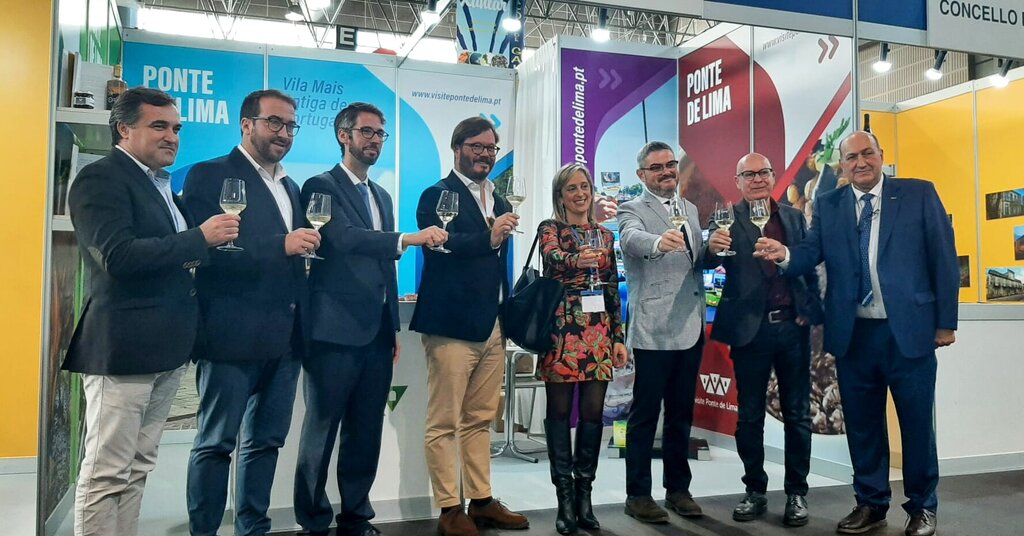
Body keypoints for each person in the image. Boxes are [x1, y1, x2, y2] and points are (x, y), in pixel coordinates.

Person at [757, 131, 958, 536]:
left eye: (868, 154)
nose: (860, 162)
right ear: (842, 165)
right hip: (854, 335)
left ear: (881, 155)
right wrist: (787, 254)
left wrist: (945, 323)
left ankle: (923, 507)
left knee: (917, 425)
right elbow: (812, 251)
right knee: (863, 427)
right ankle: (870, 503)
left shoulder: (918, 194)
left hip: (909, 332)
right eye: (851, 157)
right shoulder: (829, 204)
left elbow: (943, 257)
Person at [64, 87, 239, 536]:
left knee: (138, 465)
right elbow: (117, 257)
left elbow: (172, 256)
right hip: (123, 348)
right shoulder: (100, 178)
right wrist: (200, 238)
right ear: (123, 129)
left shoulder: (161, 187)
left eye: (176, 128)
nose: (172, 137)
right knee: (106, 472)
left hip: (167, 347)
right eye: (159, 126)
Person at [291, 103, 447, 536]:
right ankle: (313, 520)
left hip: (376, 333)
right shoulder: (320, 186)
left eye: (380, 133)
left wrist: (391, 325)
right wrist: (407, 238)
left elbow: (384, 267)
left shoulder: (382, 195)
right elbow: (342, 239)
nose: (375, 140)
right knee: (321, 430)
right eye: (367, 132)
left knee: (365, 431)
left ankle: (356, 516)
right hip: (333, 330)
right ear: (344, 135)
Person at [182, 89, 319, 536]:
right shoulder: (209, 175)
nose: (284, 133)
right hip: (231, 334)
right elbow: (207, 251)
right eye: (274, 122)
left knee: (265, 443)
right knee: (215, 444)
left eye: (291, 125)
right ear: (246, 124)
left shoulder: (291, 186)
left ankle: (253, 528)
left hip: (285, 340)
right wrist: (281, 245)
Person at [410, 116, 529, 536]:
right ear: (457, 148)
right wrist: (490, 237)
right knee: (443, 422)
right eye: (476, 147)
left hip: (492, 324)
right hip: (451, 325)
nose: (485, 155)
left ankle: (481, 501)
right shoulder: (435, 195)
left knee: (480, 419)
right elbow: (439, 244)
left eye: (491, 148)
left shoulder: (499, 199)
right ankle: (449, 509)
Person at [703, 153, 823, 527]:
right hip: (749, 332)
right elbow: (707, 262)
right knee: (750, 416)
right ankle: (754, 489)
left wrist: (809, 309)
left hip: (792, 329)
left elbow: (808, 265)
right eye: (749, 174)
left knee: (798, 415)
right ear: (737, 181)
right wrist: (711, 248)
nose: (757, 179)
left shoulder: (792, 217)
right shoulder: (725, 219)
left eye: (763, 173)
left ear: (773, 177)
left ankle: (797, 493)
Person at [535, 163, 629, 534]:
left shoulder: (605, 235)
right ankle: (564, 499)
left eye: (584, 186)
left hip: (598, 331)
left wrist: (618, 337)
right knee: (559, 414)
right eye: (572, 188)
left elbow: (612, 288)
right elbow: (552, 258)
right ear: (560, 195)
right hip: (561, 330)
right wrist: (578, 259)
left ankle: (584, 495)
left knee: (592, 415)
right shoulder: (551, 229)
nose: (580, 194)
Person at [617, 141, 706, 524]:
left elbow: (695, 260)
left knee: (681, 414)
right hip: (653, 327)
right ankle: (637, 495)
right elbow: (630, 239)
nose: (667, 171)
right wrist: (657, 241)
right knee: (644, 414)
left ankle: (678, 490)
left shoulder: (691, 209)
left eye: (671, 164)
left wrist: (714, 249)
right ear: (642, 175)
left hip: (690, 324)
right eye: (657, 167)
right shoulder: (631, 209)